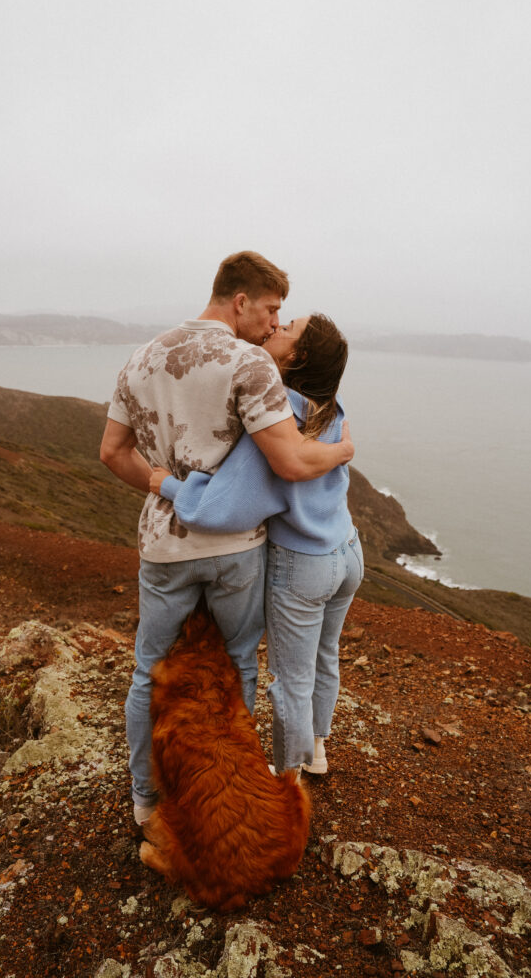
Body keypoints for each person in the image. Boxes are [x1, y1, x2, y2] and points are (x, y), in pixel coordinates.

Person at [100, 253, 355, 823]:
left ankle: (145, 801)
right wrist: (343, 450)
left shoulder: (140, 359)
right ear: (240, 301)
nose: (271, 325)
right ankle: (231, 786)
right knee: (238, 662)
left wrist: (161, 484)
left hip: (164, 546)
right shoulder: (252, 363)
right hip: (237, 547)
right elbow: (288, 459)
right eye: (269, 310)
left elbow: (111, 452)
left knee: (148, 671)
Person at [150, 313, 363, 776]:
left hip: (304, 564)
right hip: (348, 551)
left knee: (290, 679)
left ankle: (290, 774)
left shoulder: (275, 417)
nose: (276, 326)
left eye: (288, 327)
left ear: (298, 355)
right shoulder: (330, 402)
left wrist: (167, 484)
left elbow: (217, 510)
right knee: (325, 657)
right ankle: (318, 749)